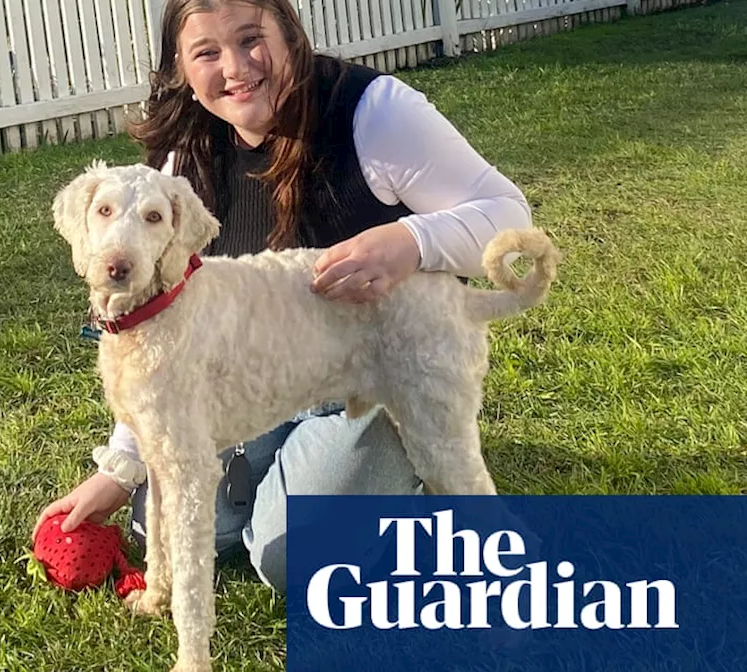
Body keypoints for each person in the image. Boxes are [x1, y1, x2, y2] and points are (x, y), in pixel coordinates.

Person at [33, 0, 532, 592]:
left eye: (251, 39)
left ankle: (413, 461)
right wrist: (122, 468)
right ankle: (312, 477)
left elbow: (507, 215)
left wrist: (409, 241)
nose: (237, 67)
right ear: (182, 68)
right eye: (208, 53)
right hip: (260, 382)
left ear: (289, 34)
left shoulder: (373, 112)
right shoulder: (178, 165)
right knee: (163, 524)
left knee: (288, 558)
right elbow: (162, 333)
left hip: (378, 366)